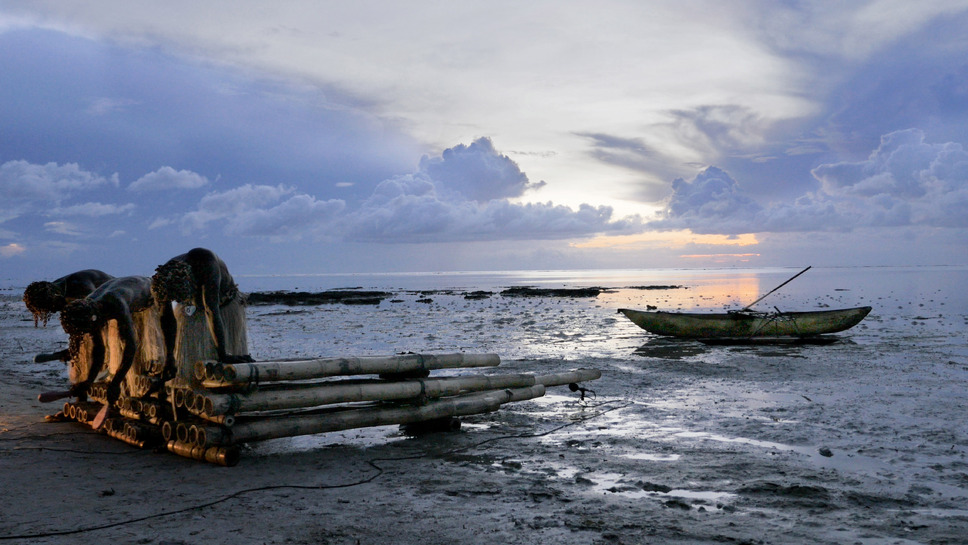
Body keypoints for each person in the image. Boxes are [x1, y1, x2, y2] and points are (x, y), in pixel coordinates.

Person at [59, 276, 163, 426]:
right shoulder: (88, 308)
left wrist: (116, 382)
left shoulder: (116, 304)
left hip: (146, 296)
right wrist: (88, 380)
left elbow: (130, 346)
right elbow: (98, 348)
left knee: (140, 356)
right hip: (122, 298)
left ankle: (145, 402)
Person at [151, 248, 253, 383]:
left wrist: (223, 354)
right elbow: (167, 319)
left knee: (220, 359)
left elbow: (211, 310)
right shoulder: (160, 283)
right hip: (192, 308)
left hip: (224, 305)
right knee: (189, 365)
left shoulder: (205, 261)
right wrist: (170, 356)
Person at [23, 269, 114, 327]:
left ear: (55, 297)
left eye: (53, 307)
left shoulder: (80, 286)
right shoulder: (55, 288)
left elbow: (95, 309)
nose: (54, 311)